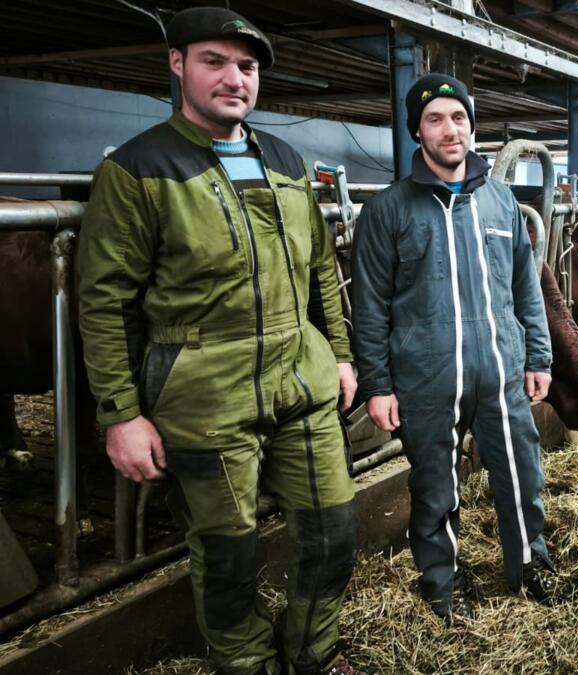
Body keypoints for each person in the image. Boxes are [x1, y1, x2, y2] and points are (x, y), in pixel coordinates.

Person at [77, 8, 360, 674]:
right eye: (215, 62)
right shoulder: (139, 168)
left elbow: (321, 268)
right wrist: (120, 414)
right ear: (177, 63)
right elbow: (105, 299)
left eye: (247, 66)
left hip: (301, 377)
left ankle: (314, 654)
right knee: (229, 553)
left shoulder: (286, 161)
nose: (235, 79)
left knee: (336, 529)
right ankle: (247, 664)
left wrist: (341, 356)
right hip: (202, 390)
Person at [351, 74, 567, 623]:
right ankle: (443, 582)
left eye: (459, 118)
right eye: (435, 119)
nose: (450, 130)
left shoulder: (501, 202)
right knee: (435, 487)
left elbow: (526, 287)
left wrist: (538, 356)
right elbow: (370, 307)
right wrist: (377, 385)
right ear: (416, 131)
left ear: (472, 127)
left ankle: (531, 564)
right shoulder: (389, 210)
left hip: (499, 369)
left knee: (522, 473)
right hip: (427, 377)